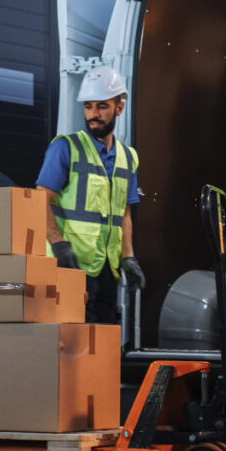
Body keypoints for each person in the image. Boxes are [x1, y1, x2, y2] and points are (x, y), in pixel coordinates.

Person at [35, 62, 145, 323]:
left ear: (119, 107)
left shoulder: (128, 158)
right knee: (74, 343)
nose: (93, 114)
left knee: (102, 342)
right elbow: (40, 200)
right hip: (70, 265)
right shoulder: (65, 148)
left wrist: (128, 258)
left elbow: (124, 213)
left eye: (102, 106)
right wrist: (59, 244)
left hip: (106, 269)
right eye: (88, 106)